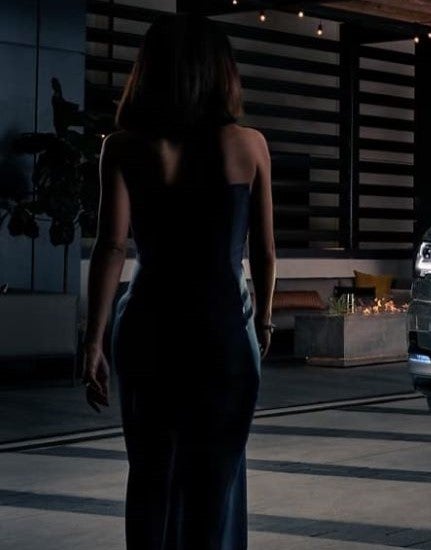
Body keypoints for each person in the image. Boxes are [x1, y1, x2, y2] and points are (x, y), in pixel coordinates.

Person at [81, 13, 276, 550]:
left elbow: (112, 247)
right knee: (216, 480)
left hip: (147, 325)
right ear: (222, 73)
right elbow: (263, 250)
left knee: (150, 476)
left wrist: (93, 340)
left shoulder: (122, 146)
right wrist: (262, 319)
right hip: (221, 331)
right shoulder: (250, 145)